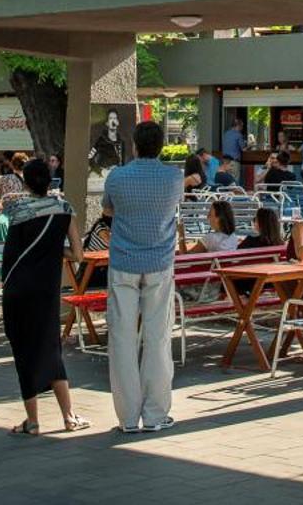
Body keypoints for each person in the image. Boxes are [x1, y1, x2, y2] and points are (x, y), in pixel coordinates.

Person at [102, 119, 183, 434]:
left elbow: (108, 210)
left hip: (123, 261)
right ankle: (154, 413)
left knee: (121, 339)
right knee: (158, 338)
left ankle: (127, 417)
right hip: (160, 263)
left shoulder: (117, 177)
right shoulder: (174, 177)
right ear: (161, 146)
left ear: (134, 145)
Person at [1, 158, 89, 437]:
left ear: (25, 182)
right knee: (51, 348)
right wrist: (54, 252)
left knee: (24, 351)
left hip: (17, 289)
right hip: (46, 290)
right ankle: (68, 415)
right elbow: (77, 254)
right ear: (50, 181)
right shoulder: (63, 210)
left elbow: (11, 253)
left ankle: (33, 421)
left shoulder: (15, 211)